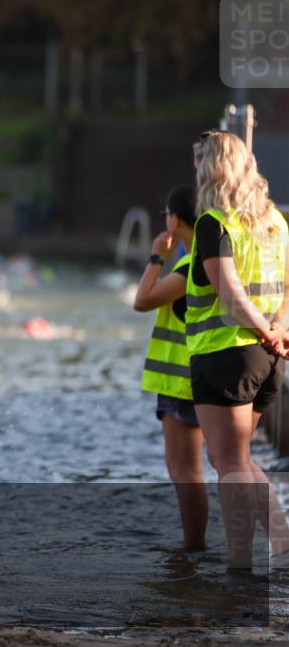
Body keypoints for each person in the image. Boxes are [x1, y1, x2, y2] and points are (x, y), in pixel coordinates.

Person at [186, 130, 289, 569]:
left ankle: (240, 564)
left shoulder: (214, 222)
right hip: (266, 358)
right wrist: (279, 329)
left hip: (225, 353)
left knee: (227, 463)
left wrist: (265, 329)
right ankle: (283, 544)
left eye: (198, 163)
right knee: (238, 458)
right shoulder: (274, 221)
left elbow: (229, 295)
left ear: (211, 168)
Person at [133, 185, 206, 551]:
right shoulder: (205, 257)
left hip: (181, 382)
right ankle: (194, 547)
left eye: (166, 215)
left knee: (186, 472)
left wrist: (155, 257)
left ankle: (193, 549)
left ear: (175, 220)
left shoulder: (188, 263)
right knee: (187, 471)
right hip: (188, 379)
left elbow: (142, 300)